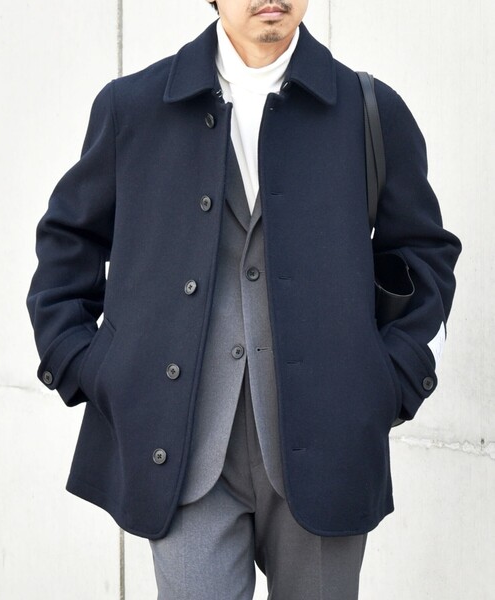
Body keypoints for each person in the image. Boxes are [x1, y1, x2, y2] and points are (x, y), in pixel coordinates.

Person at [26, 0, 462, 598]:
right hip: (178, 450)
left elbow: (423, 255)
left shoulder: (369, 110)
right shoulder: (134, 107)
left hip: (329, 442)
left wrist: (394, 379)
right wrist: (90, 365)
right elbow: (67, 241)